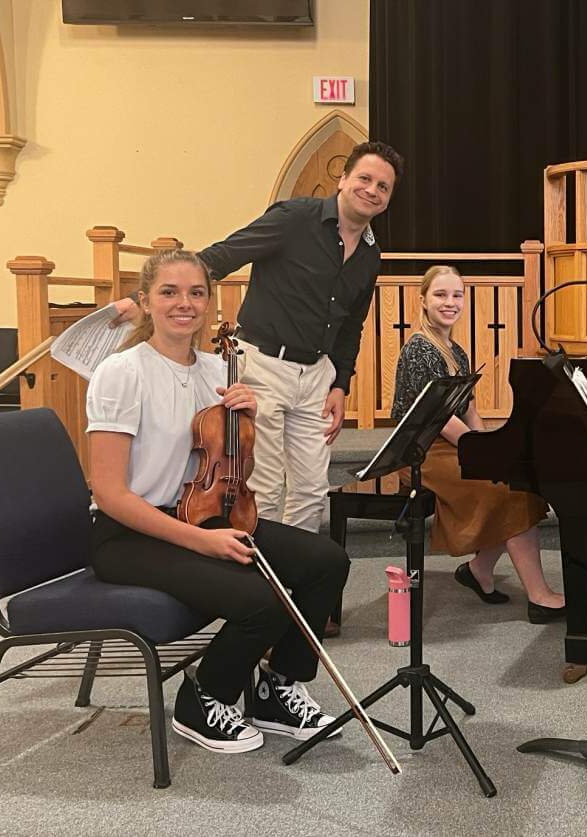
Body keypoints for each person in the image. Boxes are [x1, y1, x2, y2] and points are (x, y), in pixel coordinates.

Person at [88, 249, 351, 753]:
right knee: (262, 597)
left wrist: (245, 423)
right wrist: (200, 544)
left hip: (204, 511)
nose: (184, 303)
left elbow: (231, 467)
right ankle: (203, 699)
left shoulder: (219, 369)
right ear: (145, 301)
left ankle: (278, 689)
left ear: (209, 302)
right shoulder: (122, 373)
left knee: (325, 561)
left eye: (196, 292)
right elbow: (110, 492)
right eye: (169, 292)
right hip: (129, 533)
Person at [113, 141, 404, 536]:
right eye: (365, 179)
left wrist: (340, 384)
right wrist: (142, 297)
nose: (372, 190)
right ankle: (260, 582)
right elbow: (225, 254)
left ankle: (292, 573)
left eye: (383, 187)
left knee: (311, 490)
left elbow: (352, 323)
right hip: (263, 367)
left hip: (317, 375)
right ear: (343, 179)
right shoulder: (294, 218)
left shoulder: (371, 255)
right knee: (262, 489)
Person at [390, 265, 565, 622]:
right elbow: (438, 419)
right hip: (422, 452)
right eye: (440, 294)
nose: (450, 302)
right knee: (509, 491)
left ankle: (480, 570)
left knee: (518, 480)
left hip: (450, 444)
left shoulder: (455, 349)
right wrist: (482, 453)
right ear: (422, 300)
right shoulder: (419, 349)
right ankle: (539, 595)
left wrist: (489, 444)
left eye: (457, 295)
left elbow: (469, 408)